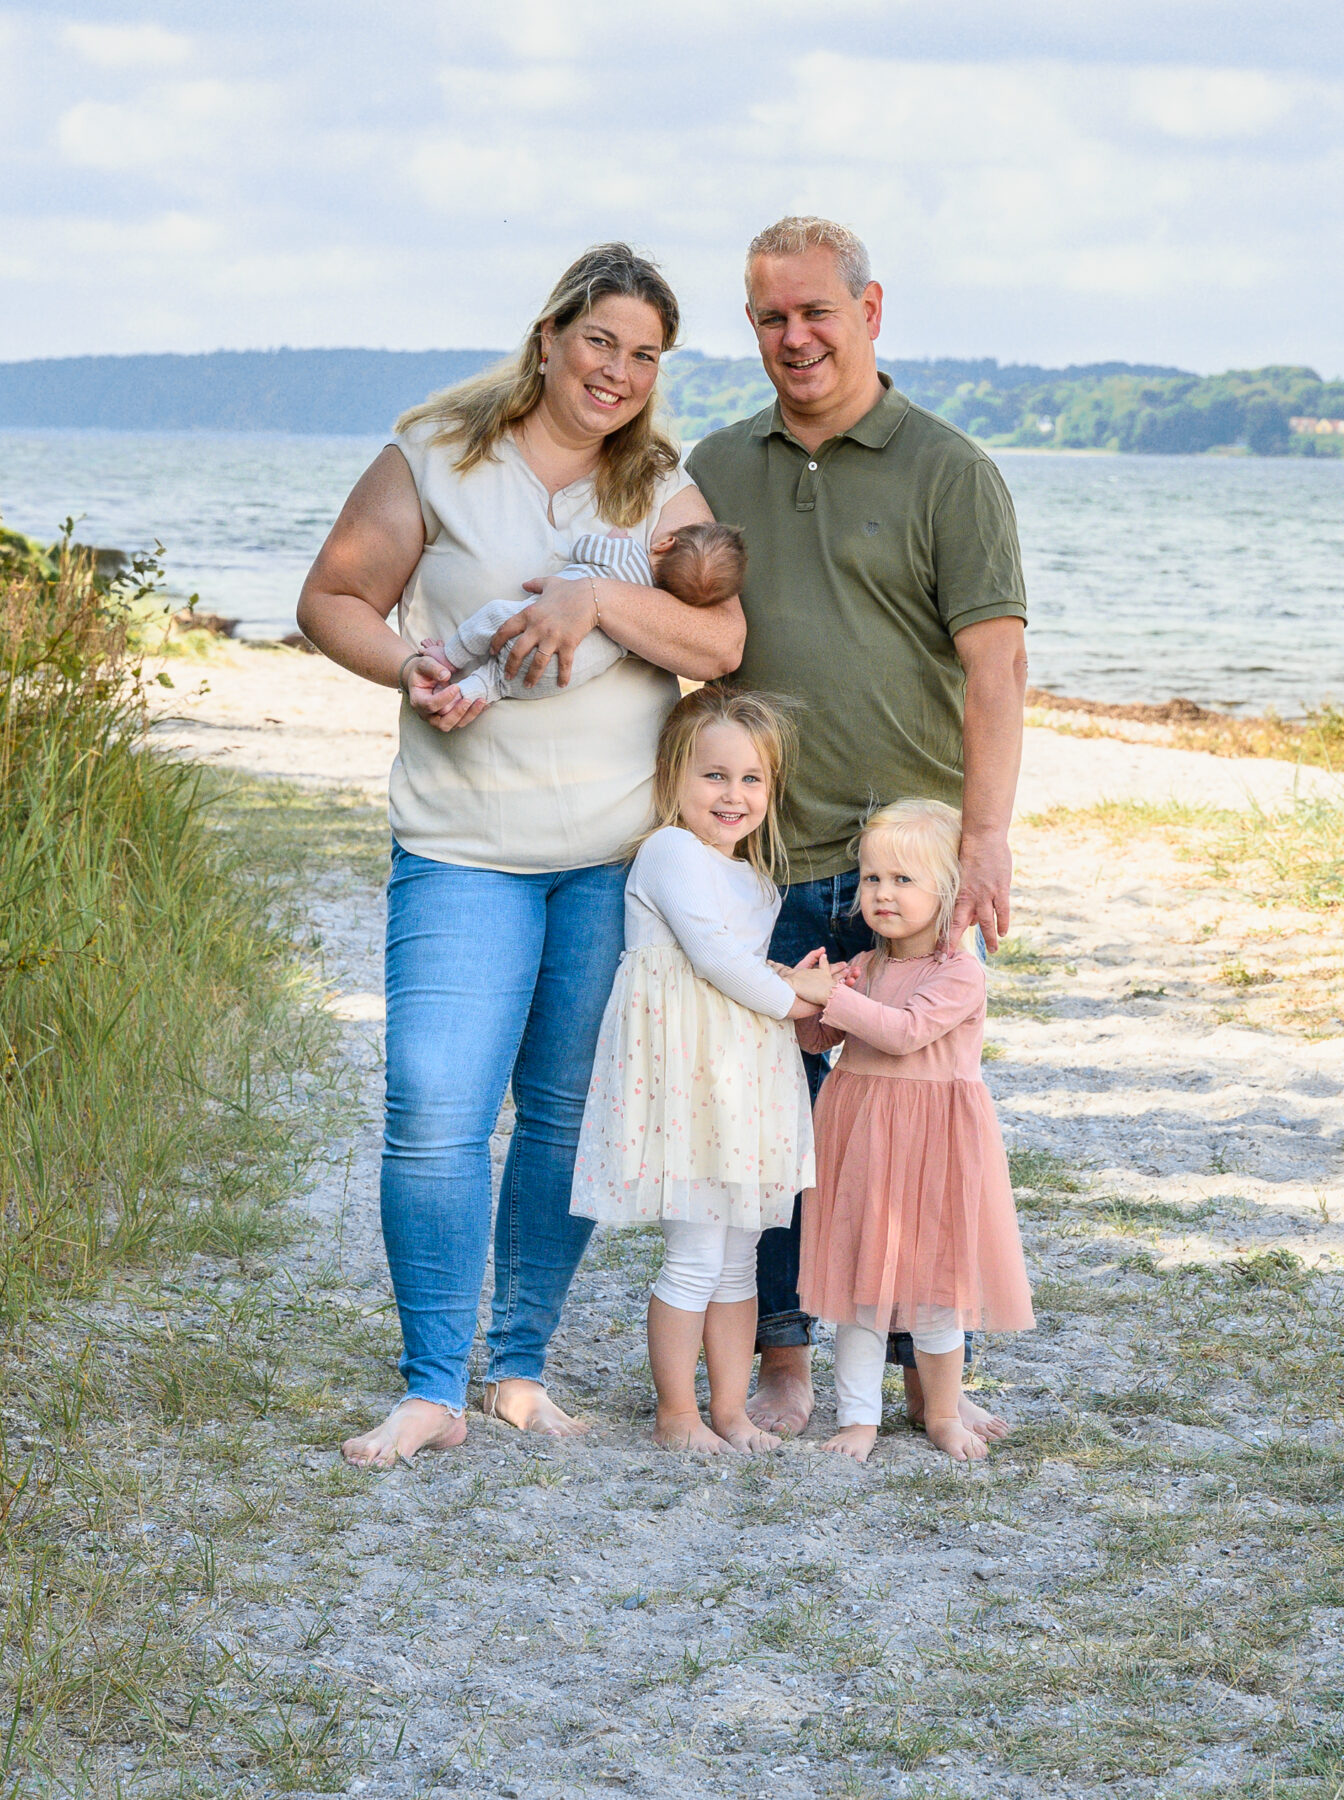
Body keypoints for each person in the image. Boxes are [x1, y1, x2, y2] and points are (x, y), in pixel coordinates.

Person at [298, 242, 744, 1471]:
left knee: (559, 1113)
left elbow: (721, 635)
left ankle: (517, 1366)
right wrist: (411, 665)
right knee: (436, 1108)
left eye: (644, 354)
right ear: (549, 336)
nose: (617, 371)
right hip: (462, 848)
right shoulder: (435, 453)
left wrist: (598, 603)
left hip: (609, 862)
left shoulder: (657, 484)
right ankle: (433, 1383)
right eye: (599, 341)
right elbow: (331, 597)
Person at [685, 214, 1028, 1437]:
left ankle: (932, 1374)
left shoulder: (949, 470)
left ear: (870, 312)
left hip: (909, 877)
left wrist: (983, 841)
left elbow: (994, 671)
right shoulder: (716, 465)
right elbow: (672, 630)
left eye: (816, 311)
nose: (795, 336)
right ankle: (785, 1357)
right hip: (766, 862)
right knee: (776, 1126)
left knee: (921, 1121)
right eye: (771, 317)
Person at [571, 687, 817, 1454]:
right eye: (714, 775)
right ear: (673, 776)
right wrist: (792, 994)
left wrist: (793, 979)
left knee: (740, 1253)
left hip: (742, 1081)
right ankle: (676, 1413)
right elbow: (710, 958)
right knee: (694, 1253)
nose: (733, 795)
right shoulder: (669, 851)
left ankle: (731, 1410)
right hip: (686, 1084)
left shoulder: (756, 880)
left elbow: (737, 960)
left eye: (751, 780)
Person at [790, 798, 1033, 1464]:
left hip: (933, 1145)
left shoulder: (958, 972)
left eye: (903, 880)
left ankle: (943, 1413)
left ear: (947, 892)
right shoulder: (865, 967)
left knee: (934, 1295)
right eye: (871, 879)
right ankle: (859, 1420)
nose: (882, 894)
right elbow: (822, 1037)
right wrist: (809, 1002)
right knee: (861, 1293)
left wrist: (825, 994)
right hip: (864, 1134)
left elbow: (902, 1034)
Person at [426, 522, 746, 709]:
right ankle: (458, 696)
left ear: (665, 543)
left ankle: (448, 659)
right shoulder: (653, 608)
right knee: (496, 681)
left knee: (496, 616)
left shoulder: (628, 553)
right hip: (557, 677)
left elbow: (583, 549)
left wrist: (613, 537)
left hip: (529, 631)